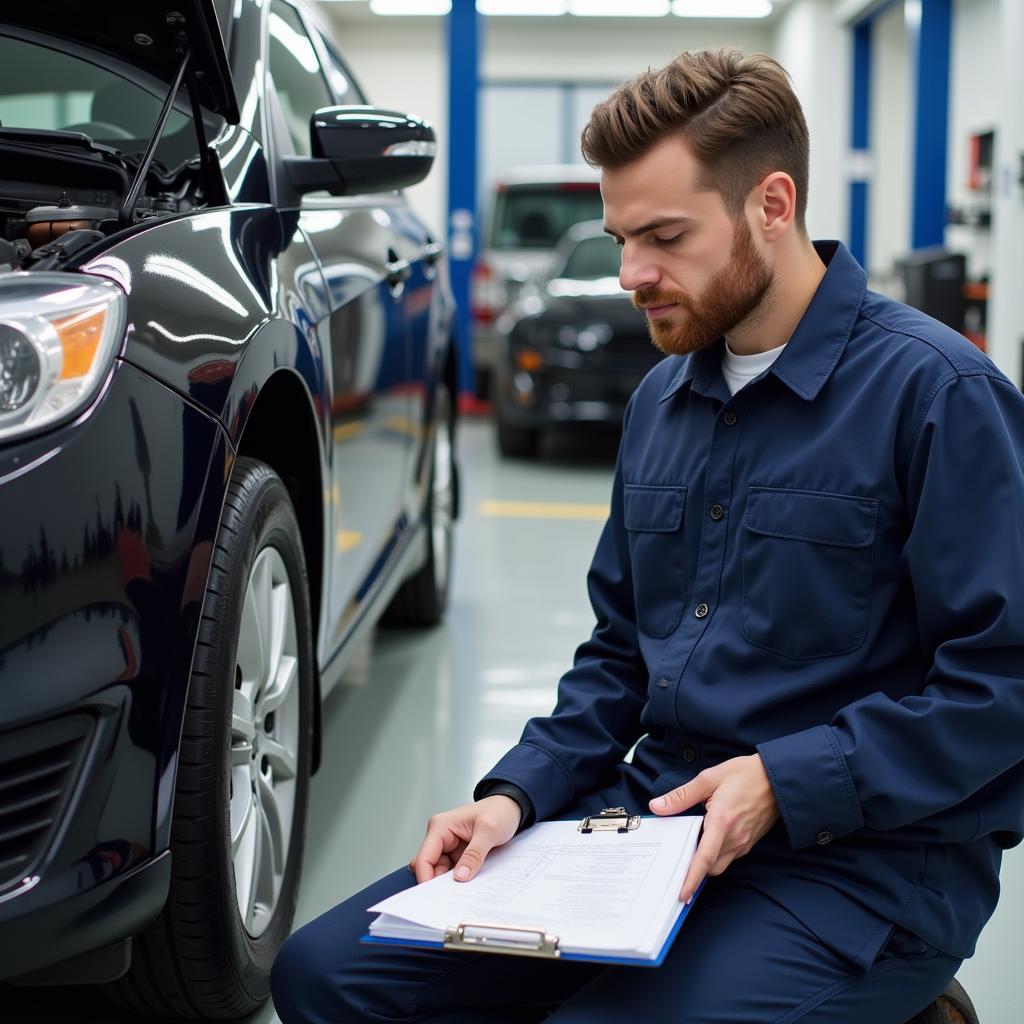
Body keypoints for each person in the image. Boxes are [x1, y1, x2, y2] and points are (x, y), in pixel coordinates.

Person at [271, 48, 1024, 1023]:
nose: (632, 273)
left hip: (862, 866)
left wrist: (786, 780)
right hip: (650, 826)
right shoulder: (662, 401)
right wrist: (516, 796)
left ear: (772, 204)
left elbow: (1003, 683)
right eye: (620, 236)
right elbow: (619, 656)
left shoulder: (937, 397)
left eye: (663, 236)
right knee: (324, 975)